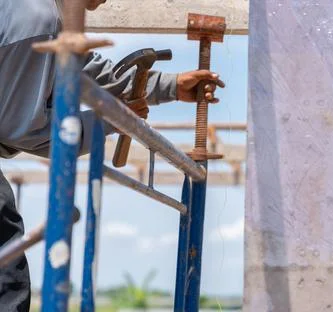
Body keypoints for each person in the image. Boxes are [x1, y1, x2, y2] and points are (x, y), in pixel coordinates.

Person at [0, 0, 223, 310]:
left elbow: (79, 70)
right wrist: (109, 120)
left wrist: (170, 86)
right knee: (5, 279)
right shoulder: (37, 19)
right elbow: (20, 129)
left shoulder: (36, 13)